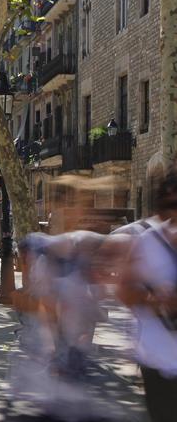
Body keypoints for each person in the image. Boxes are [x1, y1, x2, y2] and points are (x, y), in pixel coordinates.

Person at [117, 168, 177, 422]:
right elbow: (124, 290)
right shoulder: (147, 242)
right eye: (170, 204)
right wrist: (153, 301)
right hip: (156, 358)